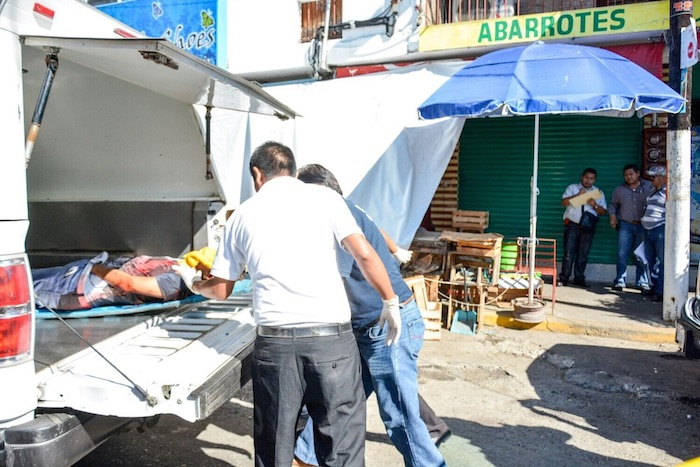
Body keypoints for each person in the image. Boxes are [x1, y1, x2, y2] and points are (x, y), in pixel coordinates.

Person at [174, 142, 400, 467]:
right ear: (293, 171)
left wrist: (192, 282)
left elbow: (221, 290)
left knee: (275, 445)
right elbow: (364, 253)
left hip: (275, 346)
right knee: (343, 448)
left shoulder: (242, 216)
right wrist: (390, 301)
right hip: (332, 343)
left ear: (257, 174)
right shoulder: (327, 199)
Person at [293, 164, 448, 467]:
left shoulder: (332, 213)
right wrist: (398, 251)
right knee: (339, 402)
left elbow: (364, 255)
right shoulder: (347, 210)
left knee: (398, 417)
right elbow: (378, 235)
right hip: (366, 327)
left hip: (386, 324)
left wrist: (389, 301)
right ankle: (306, 455)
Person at [32, 247, 215, 310]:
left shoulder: (178, 282)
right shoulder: (182, 268)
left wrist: (95, 267)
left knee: (15, 289)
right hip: (80, 277)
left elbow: (128, 284)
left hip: (75, 288)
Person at [559, 168, 608, 288]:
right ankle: (564, 278)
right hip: (572, 224)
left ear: (594, 180)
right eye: (586, 177)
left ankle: (579, 278)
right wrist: (578, 196)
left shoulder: (598, 192)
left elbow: (603, 211)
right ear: (582, 177)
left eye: (591, 178)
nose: (588, 180)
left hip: (588, 226)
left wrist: (594, 205)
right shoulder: (572, 188)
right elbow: (564, 202)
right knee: (568, 252)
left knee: (583, 253)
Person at [608, 164, 653, 293]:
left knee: (642, 255)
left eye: (631, 174)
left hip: (644, 226)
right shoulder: (619, 190)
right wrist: (612, 215)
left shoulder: (649, 187)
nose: (629, 177)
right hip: (625, 225)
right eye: (626, 175)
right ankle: (620, 281)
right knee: (622, 254)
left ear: (638, 174)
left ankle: (643, 283)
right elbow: (613, 205)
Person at [641, 165, 667, 303]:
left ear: (663, 178)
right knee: (651, 260)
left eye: (655, 176)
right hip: (648, 230)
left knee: (661, 261)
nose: (652, 179)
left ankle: (660, 291)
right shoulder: (653, 192)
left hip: (659, 230)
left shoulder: (668, 192)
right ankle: (655, 286)